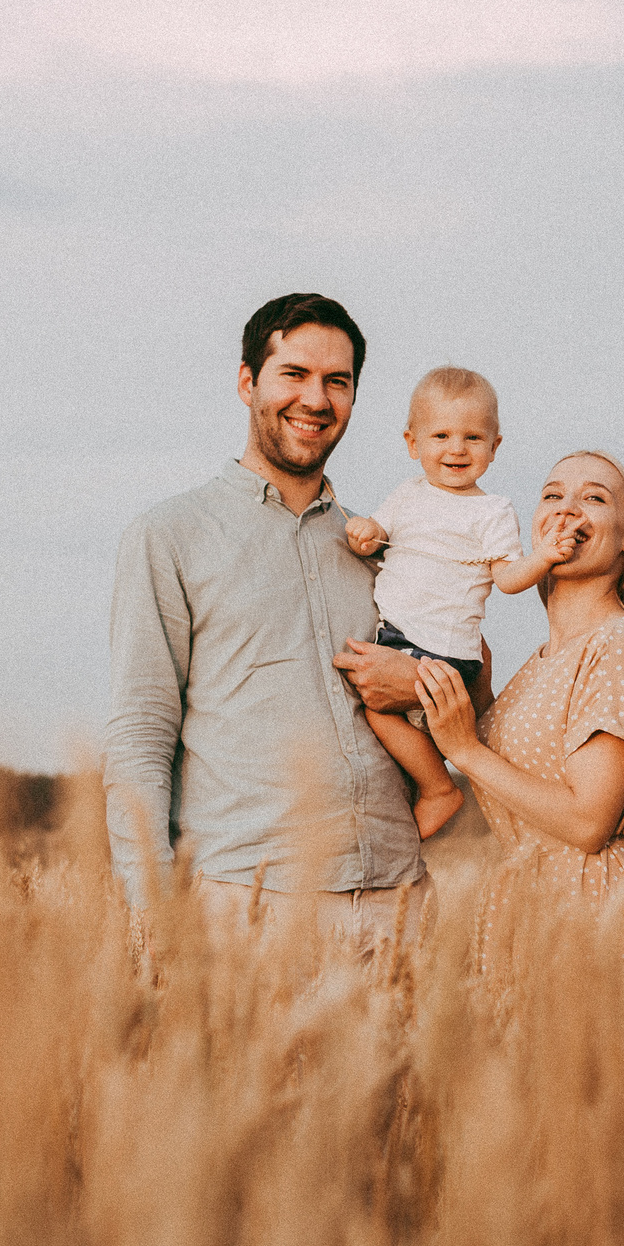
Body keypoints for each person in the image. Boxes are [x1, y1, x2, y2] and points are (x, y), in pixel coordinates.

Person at [102, 292, 434, 942]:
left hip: (399, 899)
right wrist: (150, 908)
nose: (316, 399)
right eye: (295, 374)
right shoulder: (169, 535)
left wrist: (420, 682)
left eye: (337, 381)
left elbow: (448, 702)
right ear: (248, 381)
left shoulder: (380, 548)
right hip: (247, 905)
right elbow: (142, 732)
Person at [411, 451, 624, 957]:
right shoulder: (542, 660)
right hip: (532, 904)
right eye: (552, 495)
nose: (567, 508)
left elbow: (588, 823)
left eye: (593, 497)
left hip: (593, 915)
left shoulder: (618, 644)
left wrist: (466, 750)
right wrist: (479, 702)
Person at [341, 367, 571, 838]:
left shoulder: (491, 512)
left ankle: (438, 788)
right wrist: (364, 533)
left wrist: (544, 556)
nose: (456, 448)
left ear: (494, 446)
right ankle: (419, 788)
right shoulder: (406, 495)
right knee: (378, 719)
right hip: (397, 639)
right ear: (412, 443)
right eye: (441, 435)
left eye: (472, 437)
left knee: (377, 712)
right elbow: (377, 534)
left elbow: (507, 579)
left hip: (446, 653)